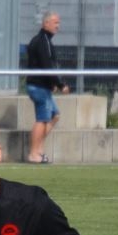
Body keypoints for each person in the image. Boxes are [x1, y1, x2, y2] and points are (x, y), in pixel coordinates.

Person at [25, 11, 69, 164]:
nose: (58, 26)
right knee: (42, 119)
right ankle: (33, 154)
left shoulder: (45, 40)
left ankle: (38, 148)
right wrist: (60, 84)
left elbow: (45, 65)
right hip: (38, 87)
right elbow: (47, 65)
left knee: (54, 115)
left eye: (58, 23)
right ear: (46, 23)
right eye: (55, 22)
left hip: (42, 86)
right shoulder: (42, 41)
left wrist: (52, 84)